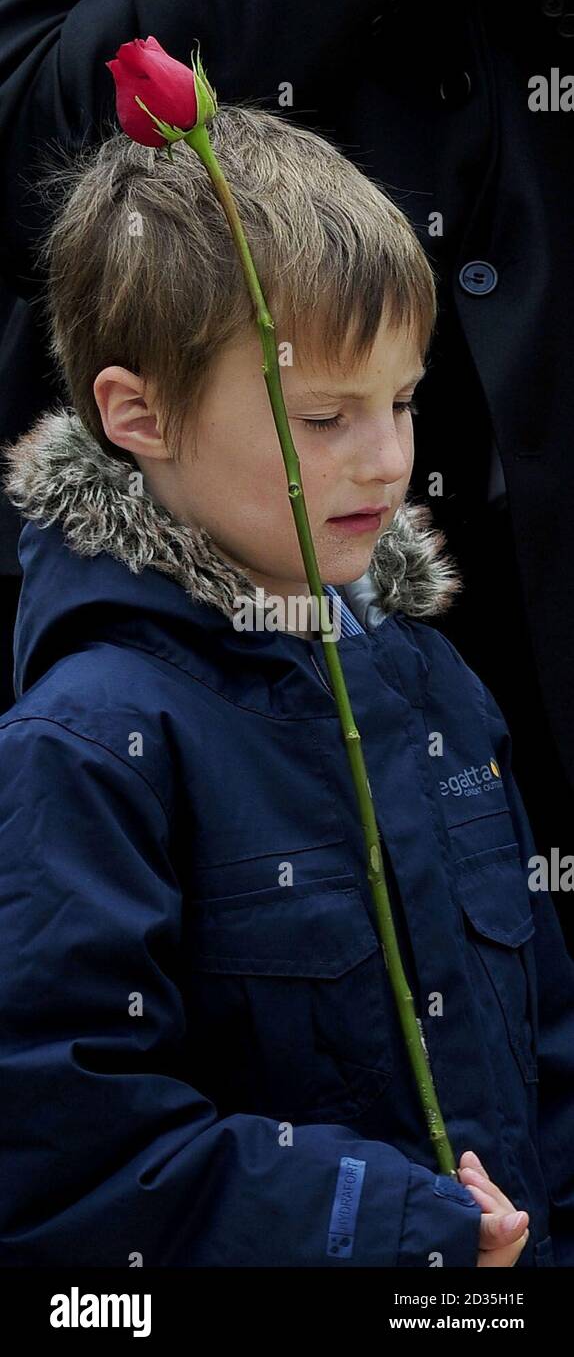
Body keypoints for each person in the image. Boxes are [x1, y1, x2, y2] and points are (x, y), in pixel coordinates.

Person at [0, 104, 572, 1269]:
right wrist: (398, 1231)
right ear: (138, 413)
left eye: (402, 401)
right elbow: (63, 1160)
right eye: (324, 417)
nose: (388, 460)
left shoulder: (431, 679)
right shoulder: (85, 742)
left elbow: (545, 1040)